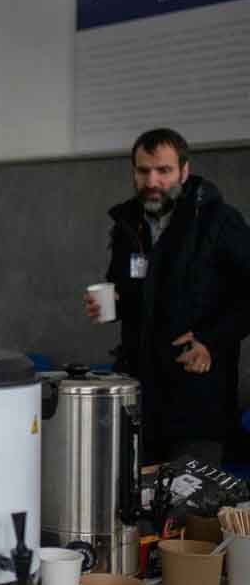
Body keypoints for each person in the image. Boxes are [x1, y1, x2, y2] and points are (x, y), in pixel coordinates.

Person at [85, 128, 250, 465]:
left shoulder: (218, 221)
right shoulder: (129, 223)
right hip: (141, 398)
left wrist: (211, 340)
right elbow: (132, 290)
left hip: (198, 401)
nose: (152, 181)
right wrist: (113, 303)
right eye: (143, 171)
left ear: (184, 171)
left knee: (187, 508)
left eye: (164, 170)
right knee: (139, 505)